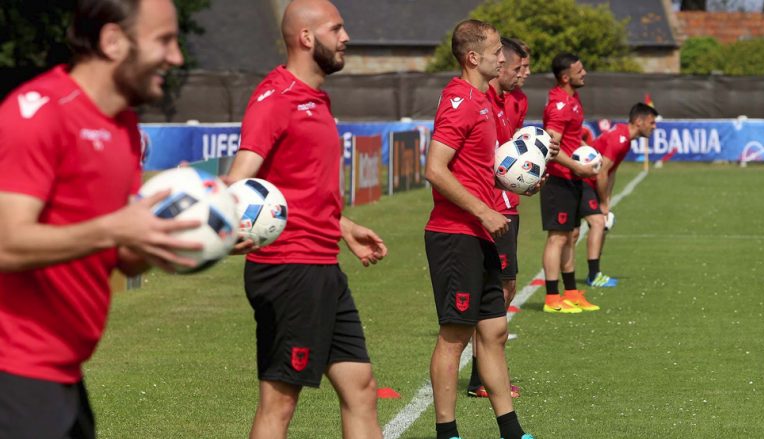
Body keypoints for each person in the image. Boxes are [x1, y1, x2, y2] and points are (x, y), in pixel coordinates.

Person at [0, 1, 203, 437]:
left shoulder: (124, 128)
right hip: (14, 370)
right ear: (112, 41)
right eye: (164, 40)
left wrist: (181, 229)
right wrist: (115, 227)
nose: (177, 57)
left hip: (65, 371)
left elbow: (125, 257)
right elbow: (6, 244)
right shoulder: (37, 113)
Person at [225, 1, 387, 438]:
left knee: (362, 388)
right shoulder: (274, 99)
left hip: (321, 266)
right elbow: (241, 178)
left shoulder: (315, 97)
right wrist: (220, 223)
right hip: (288, 270)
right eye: (337, 28)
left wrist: (343, 225)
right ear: (306, 38)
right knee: (279, 404)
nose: (347, 37)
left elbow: (299, 187)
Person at [424, 20, 533, 439]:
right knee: (455, 335)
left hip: (483, 231)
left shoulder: (483, 100)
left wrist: (519, 182)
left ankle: (512, 431)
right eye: (495, 51)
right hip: (456, 233)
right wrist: (484, 212)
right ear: (473, 58)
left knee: (493, 331)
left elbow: (479, 169)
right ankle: (447, 432)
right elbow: (435, 169)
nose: (503, 57)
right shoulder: (460, 101)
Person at [466, 38, 558, 399]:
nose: (525, 73)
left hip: (508, 205)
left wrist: (533, 164)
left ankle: (484, 373)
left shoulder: (517, 102)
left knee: (504, 286)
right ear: (499, 64)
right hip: (487, 208)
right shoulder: (478, 99)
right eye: (518, 67)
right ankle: (480, 377)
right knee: (493, 291)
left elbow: (509, 154)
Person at [540, 52, 600, 314]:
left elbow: (570, 139)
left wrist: (586, 149)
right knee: (557, 238)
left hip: (573, 178)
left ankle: (572, 293)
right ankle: (552, 298)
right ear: (565, 77)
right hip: (559, 179)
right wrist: (577, 166)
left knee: (571, 235)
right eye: (580, 69)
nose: (584, 72)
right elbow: (552, 148)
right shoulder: (559, 106)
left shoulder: (573, 99)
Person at [591, 102, 659, 260]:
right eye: (651, 122)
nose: (654, 126)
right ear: (639, 122)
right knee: (596, 224)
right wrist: (603, 203)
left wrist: (607, 199)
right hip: (583, 183)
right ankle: (592, 275)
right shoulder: (620, 139)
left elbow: (611, 172)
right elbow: (602, 173)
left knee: (601, 225)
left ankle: (594, 274)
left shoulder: (625, 138)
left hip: (591, 183)